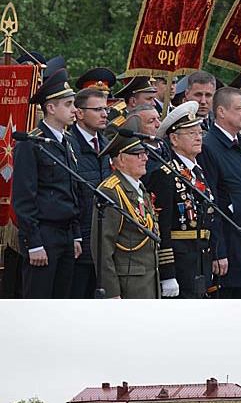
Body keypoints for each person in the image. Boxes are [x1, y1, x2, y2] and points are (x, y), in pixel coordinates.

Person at [12, 65, 82, 299]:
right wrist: (33, 242)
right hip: (44, 233)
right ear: (50, 108)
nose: (75, 110)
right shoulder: (31, 143)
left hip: (66, 234)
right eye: (68, 104)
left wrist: (76, 234)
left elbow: (72, 190)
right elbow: (23, 198)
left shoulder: (67, 143)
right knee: (39, 299)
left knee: (62, 300)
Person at [198, 87, 241, 298]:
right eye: (239, 108)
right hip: (231, 251)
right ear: (221, 111)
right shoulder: (209, 147)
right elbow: (212, 203)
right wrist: (218, 251)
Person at [145, 102, 214, 299]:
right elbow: (162, 226)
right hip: (180, 263)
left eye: (199, 132)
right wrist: (168, 274)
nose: (198, 137)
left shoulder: (197, 172)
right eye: (191, 133)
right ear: (174, 139)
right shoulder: (165, 175)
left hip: (201, 260)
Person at [91, 131, 159, 299]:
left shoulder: (138, 187)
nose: (145, 158)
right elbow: (102, 247)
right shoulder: (110, 191)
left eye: (145, 153)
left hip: (148, 279)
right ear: (121, 158)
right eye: (138, 154)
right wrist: (111, 291)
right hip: (128, 283)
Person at [69, 81, 113, 298]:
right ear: (79, 113)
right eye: (97, 109)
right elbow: (72, 196)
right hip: (80, 242)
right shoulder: (69, 145)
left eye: (106, 109)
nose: (104, 114)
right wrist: (77, 235)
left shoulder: (106, 145)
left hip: (104, 243)